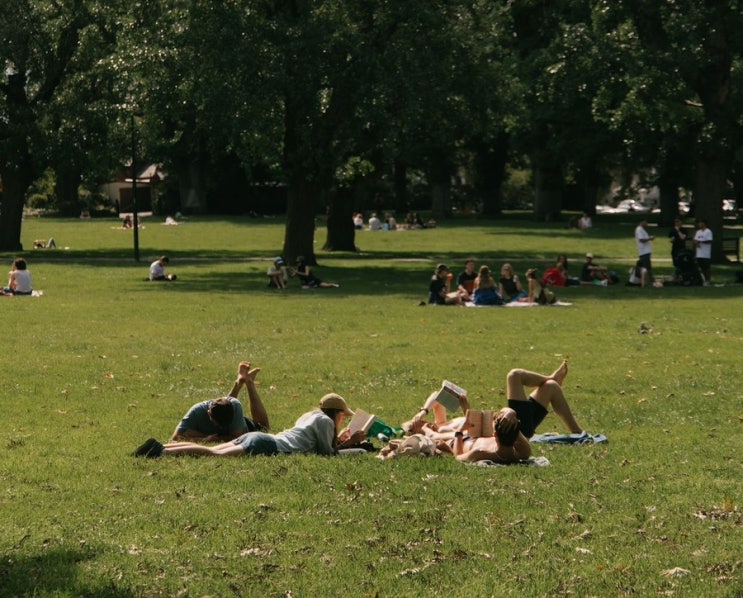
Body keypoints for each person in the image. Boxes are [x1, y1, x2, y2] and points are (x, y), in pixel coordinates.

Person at [135, 393, 365, 458]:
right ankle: (163, 452)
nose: (342, 420)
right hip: (268, 445)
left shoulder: (311, 415)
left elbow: (313, 441)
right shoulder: (325, 421)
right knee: (214, 453)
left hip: (262, 438)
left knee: (213, 449)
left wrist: (340, 439)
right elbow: (327, 454)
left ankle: (161, 446)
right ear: (337, 413)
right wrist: (353, 443)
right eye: (343, 416)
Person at [171, 361, 269, 442]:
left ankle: (249, 382)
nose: (221, 428)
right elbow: (175, 438)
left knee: (264, 428)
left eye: (226, 425)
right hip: (219, 416)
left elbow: (236, 439)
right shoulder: (196, 411)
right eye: (218, 425)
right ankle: (239, 383)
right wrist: (205, 439)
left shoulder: (235, 406)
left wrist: (205, 437)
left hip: (245, 426)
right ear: (209, 413)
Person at [694, 219, 713, 285]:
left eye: (701, 223)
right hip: (699, 253)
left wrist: (700, 242)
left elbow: (709, 241)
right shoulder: (698, 232)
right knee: (701, 267)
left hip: (706, 253)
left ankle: (708, 280)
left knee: (707, 267)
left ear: (704, 224)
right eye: (699, 223)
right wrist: (696, 243)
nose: (699, 224)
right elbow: (695, 240)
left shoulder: (708, 231)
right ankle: (704, 280)